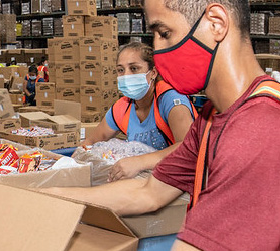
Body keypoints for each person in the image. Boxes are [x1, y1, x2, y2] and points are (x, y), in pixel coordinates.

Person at [0, 0, 280, 251]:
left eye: (164, 33)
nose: (158, 52)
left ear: (216, 23)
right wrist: (29, 197)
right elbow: (146, 192)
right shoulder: (214, 117)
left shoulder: (261, 130)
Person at [84, 42, 196, 182]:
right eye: (120, 70)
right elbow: (91, 142)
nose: (126, 75)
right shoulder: (123, 107)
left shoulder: (170, 99)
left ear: (153, 73)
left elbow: (188, 147)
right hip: (146, 180)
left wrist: (139, 162)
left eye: (134, 68)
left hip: (182, 179)